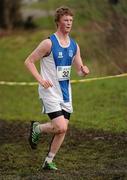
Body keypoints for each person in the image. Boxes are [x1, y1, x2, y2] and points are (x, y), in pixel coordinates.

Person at [24, 6, 89, 171]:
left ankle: (48, 161)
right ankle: (37, 128)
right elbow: (29, 61)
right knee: (61, 126)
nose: (69, 23)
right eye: (66, 20)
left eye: (71, 21)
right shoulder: (48, 43)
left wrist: (84, 71)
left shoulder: (74, 45)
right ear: (58, 22)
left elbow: (79, 70)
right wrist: (40, 79)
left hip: (66, 94)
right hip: (50, 92)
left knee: (62, 130)